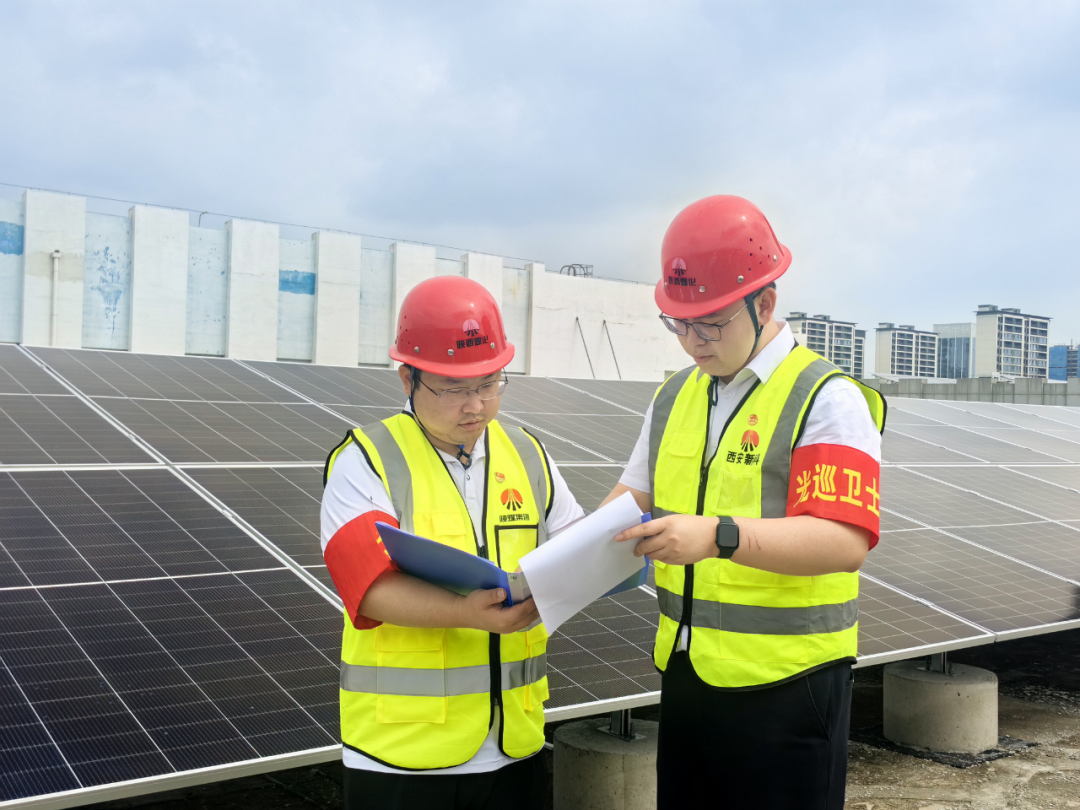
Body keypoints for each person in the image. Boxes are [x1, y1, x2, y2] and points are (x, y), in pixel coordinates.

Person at [605, 196, 886, 809]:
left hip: (789, 684)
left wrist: (717, 536)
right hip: (686, 671)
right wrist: (557, 562)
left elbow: (844, 541)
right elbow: (628, 503)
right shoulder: (675, 395)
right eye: (679, 323)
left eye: (710, 323)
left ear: (764, 304)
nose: (692, 342)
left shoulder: (827, 398)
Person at [320, 275, 585, 810]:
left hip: (515, 746)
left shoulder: (527, 453)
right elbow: (368, 589)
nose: (476, 406)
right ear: (408, 378)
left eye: (489, 384)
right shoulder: (366, 459)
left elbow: (574, 544)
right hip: (403, 755)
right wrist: (467, 613)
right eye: (454, 388)